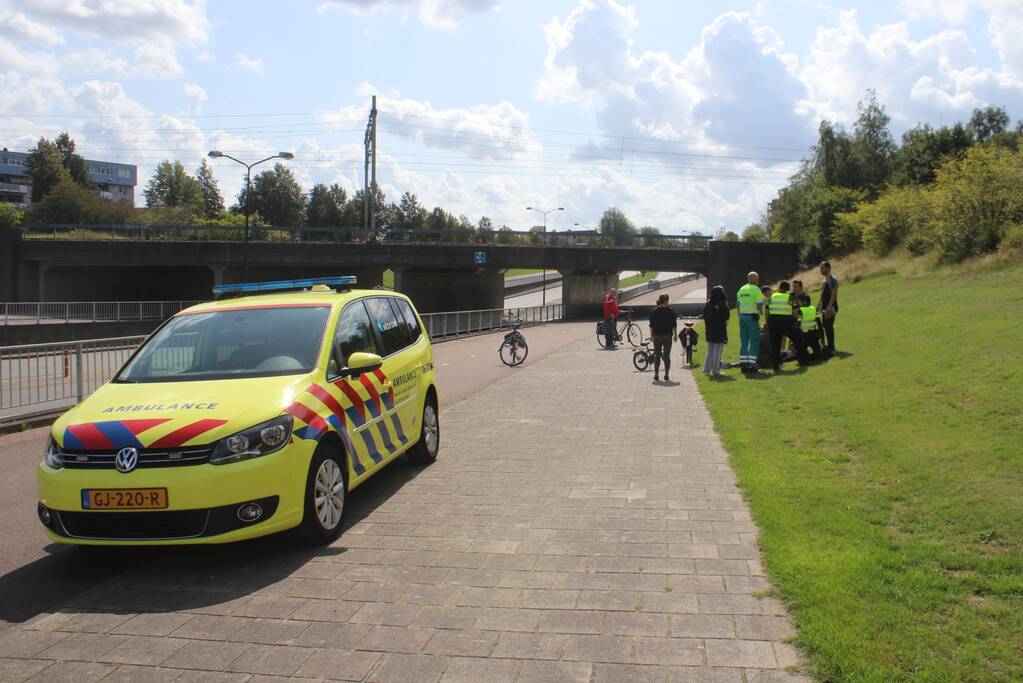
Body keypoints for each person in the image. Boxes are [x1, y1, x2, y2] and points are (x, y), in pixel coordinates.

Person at [766, 280, 800, 371]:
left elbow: (767, 311)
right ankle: (802, 359)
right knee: (797, 340)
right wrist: (795, 321)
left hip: (773, 321)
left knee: (775, 344)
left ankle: (776, 365)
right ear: (788, 289)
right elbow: (795, 311)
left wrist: (768, 323)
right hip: (786, 321)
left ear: (779, 288)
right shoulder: (790, 297)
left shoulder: (772, 296)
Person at [736, 272, 765, 372]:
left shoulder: (742, 289)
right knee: (754, 341)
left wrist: (740, 316)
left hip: (742, 317)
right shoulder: (756, 289)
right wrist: (760, 311)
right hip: (752, 318)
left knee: (744, 341)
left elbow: (738, 305)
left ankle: (743, 364)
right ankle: (752, 364)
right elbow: (759, 304)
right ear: (755, 279)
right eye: (757, 278)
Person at [648, 293, 677, 382]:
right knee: (667, 356)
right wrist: (675, 335)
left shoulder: (653, 311)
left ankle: (656, 374)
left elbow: (651, 326)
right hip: (667, 336)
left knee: (657, 355)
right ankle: (666, 374)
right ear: (665, 301)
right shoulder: (671, 311)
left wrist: (651, 336)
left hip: (657, 336)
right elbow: (674, 325)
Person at [702, 285, 729, 377]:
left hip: (709, 329)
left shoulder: (708, 304)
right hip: (719, 330)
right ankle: (716, 370)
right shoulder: (722, 305)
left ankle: (706, 369)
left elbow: (704, 315)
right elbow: (726, 317)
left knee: (710, 351)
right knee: (717, 351)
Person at [817, 261, 839, 357]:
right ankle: (828, 346)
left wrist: (829, 308)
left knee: (828, 327)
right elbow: (823, 295)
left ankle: (831, 347)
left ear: (828, 268)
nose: (821, 270)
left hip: (831, 307)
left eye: (822, 268)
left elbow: (834, 295)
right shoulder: (824, 279)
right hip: (824, 307)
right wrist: (819, 305)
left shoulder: (832, 280)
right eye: (820, 268)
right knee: (825, 326)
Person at [796, 293, 823, 362]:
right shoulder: (814, 309)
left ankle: (807, 356)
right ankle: (813, 355)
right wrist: (822, 337)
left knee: (800, 358)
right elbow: (819, 324)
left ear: (803, 301)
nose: (798, 303)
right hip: (814, 336)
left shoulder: (800, 310)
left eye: (798, 301)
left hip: (804, 336)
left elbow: (798, 325)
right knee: (819, 354)